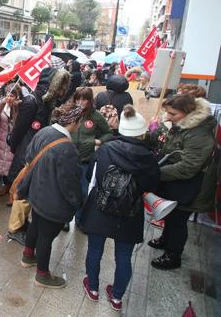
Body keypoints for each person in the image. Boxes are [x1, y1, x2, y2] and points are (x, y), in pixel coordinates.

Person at [81, 105, 160, 311]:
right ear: (142, 133)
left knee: (95, 249)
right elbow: (153, 185)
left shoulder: (106, 149)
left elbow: (91, 176)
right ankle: (116, 297)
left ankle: (93, 288)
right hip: (130, 213)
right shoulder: (150, 158)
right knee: (124, 256)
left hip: (101, 207)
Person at [17, 102, 84, 288]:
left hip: (36, 192)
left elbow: (28, 157)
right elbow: (69, 183)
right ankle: (42, 275)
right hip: (53, 201)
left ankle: (28, 256)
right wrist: (77, 202)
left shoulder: (44, 131)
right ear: (73, 121)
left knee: (35, 226)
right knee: (46, 236)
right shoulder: (67, 148)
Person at [147, 94, 216, 270]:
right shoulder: (182, 126)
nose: (168, 117)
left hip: (191, 187)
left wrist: (156, 173)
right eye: (167, 112)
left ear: (188, 112)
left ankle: (173, 255)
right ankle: (165, 239)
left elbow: (188, 167)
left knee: (178, 221)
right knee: (171, 215)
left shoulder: (198, 134)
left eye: (173, 113)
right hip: (177, 183)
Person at [6, 68, 70, 244]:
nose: (63, 90)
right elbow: (19, 129)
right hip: (27, 152)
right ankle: (14, 228)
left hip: (36, 151)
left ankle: (21, 223)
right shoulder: (32, 101)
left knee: (28, 190)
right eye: (61, 85)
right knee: (23, 190)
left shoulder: (47, 101)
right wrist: (14, 149)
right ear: (52, 84)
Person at [71, 87, 112, 230]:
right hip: (68, 158)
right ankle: (64, 219)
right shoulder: (70, 112)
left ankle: (80, 218)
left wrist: (97, 141)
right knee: (66, 188)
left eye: (84, 99)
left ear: (90, 100)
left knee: (83, 191)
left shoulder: (96, 116)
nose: (80, 102)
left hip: (85, 160)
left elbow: (108, 133)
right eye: (78, 99)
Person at [0, 84, 21, 191]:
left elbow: (18, 124)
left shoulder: (20, 107)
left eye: (12, 95)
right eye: (7, 95)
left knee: (9, 162)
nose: (9, 98)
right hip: (1, 138)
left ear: (17, 97)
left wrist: (15, 108)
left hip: (12, 140)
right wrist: (1, 104)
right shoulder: (1, 105)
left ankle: (7, 183)